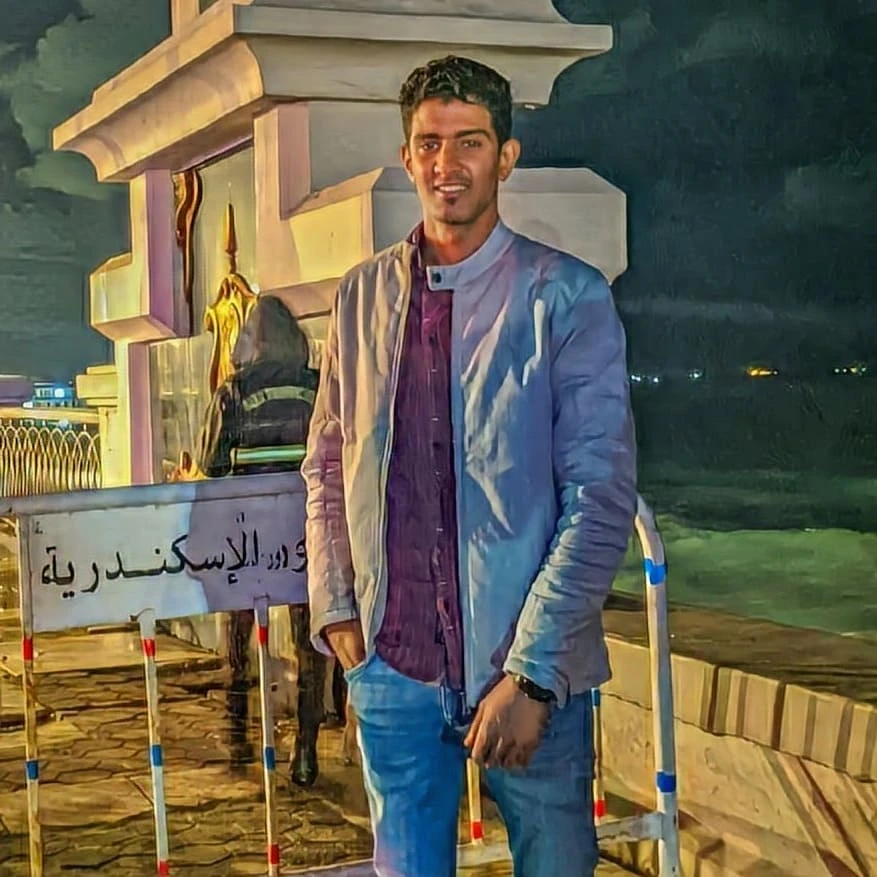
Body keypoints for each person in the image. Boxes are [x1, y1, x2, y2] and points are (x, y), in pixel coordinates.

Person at [302, 55, 637, 877]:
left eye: (470, 142)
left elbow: (598, 495)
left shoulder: (564, 297)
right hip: (393, 664)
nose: (446, 164)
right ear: (406, 156)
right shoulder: (361, 296)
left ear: (505, 156)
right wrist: (338, 610)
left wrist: (534, 674)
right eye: (429, 143)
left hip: (525, 674)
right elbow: (328, 462)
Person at [196, 294, 346, 788]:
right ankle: (305, 751)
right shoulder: (317, 385)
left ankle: (240, 737)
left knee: (238, 638)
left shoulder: (233, 392)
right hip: (307, 532)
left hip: (247, 538)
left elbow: (213, 463)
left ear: (253, 342)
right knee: (309, 643)